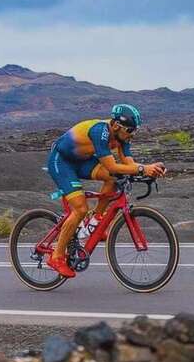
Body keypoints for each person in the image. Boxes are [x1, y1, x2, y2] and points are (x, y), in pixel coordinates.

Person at [46, 104, 167, 278]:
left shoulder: (122, 136)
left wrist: (151, 169)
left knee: (115, 177)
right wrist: (143, 169)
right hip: (62, 162)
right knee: (80, 209)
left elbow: (128, 164)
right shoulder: (99, 131)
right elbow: (110, 165)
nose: (132, 134)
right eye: (130, 130)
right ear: (117, 125)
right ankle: (56, 256)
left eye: (135, 130)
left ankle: (96, 221)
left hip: (82, 161)